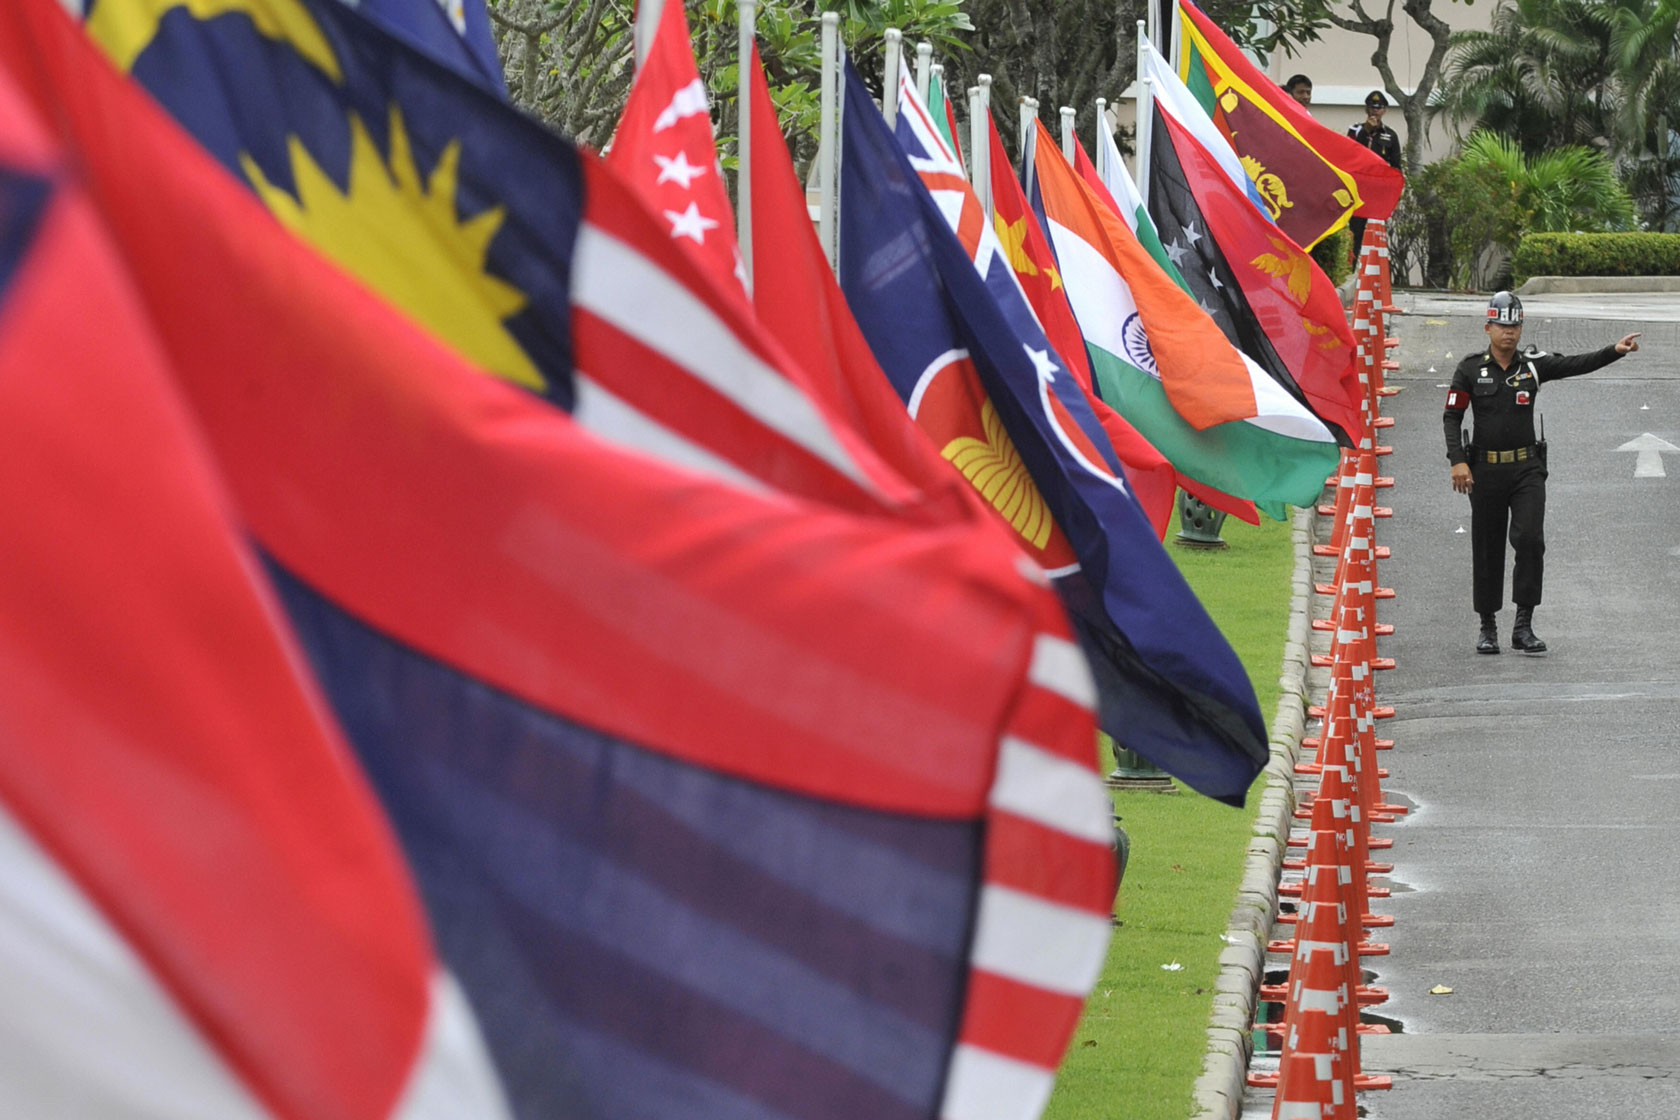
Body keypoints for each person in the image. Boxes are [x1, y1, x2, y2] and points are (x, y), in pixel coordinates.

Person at [1443, 291, 1641, 654]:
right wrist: (1458, 460)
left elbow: (1576, 364)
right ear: (1488, 327)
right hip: (1484, 471)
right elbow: (1452, 417)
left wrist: (1614, 350)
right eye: (1502, 324)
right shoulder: (1470, 369)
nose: (1509, 332)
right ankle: (1488, 627)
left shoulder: (1532, 365)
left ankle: (1524, 624)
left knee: (1530, 540)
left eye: (1515, 325)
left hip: (1526, 469)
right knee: (1487, 548)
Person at [1347, 90, 1402, 258]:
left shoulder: (1390, 135)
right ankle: (1352, 269)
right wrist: (1366, 131)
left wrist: (1396, 196)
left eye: (1379, 108)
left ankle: (1372, 272)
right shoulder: (1355, 129)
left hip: (1378, 192)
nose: (1375, 111)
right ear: (1366, 110)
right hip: (1358, 190)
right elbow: (1350, 152)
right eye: (1372, 107)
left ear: (1384, 111)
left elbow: (1396, 167)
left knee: (1375, 232)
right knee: (1355, 232)